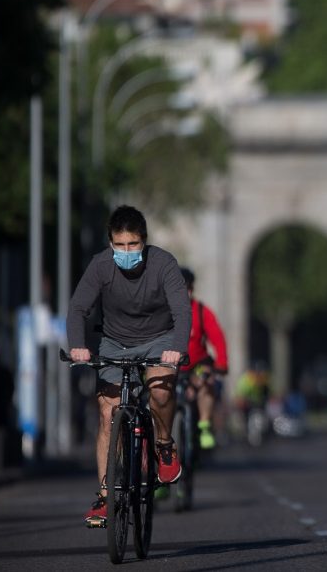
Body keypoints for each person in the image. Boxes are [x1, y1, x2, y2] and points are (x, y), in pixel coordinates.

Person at [68, 205, 191, 524]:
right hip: (114, 341)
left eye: (133, 245)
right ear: (110, 243)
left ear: (144, 241)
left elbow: (182, 312)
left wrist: (176, 349)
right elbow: (79, 308)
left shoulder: (164, 264)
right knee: (108, 412)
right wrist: (78, 346)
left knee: (161, 391)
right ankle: (106, 495)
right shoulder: (100, 266)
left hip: (159, 339)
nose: (126, 251)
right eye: (119, 245)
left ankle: (164, 445)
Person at [179, 268, 229, 450]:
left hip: (197, 363)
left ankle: (204, 424)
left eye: (188, 289)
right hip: (171, 364)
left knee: (206, 382)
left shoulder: (201, 311)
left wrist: (222, 363)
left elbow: (217, 338)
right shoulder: (162, 312)